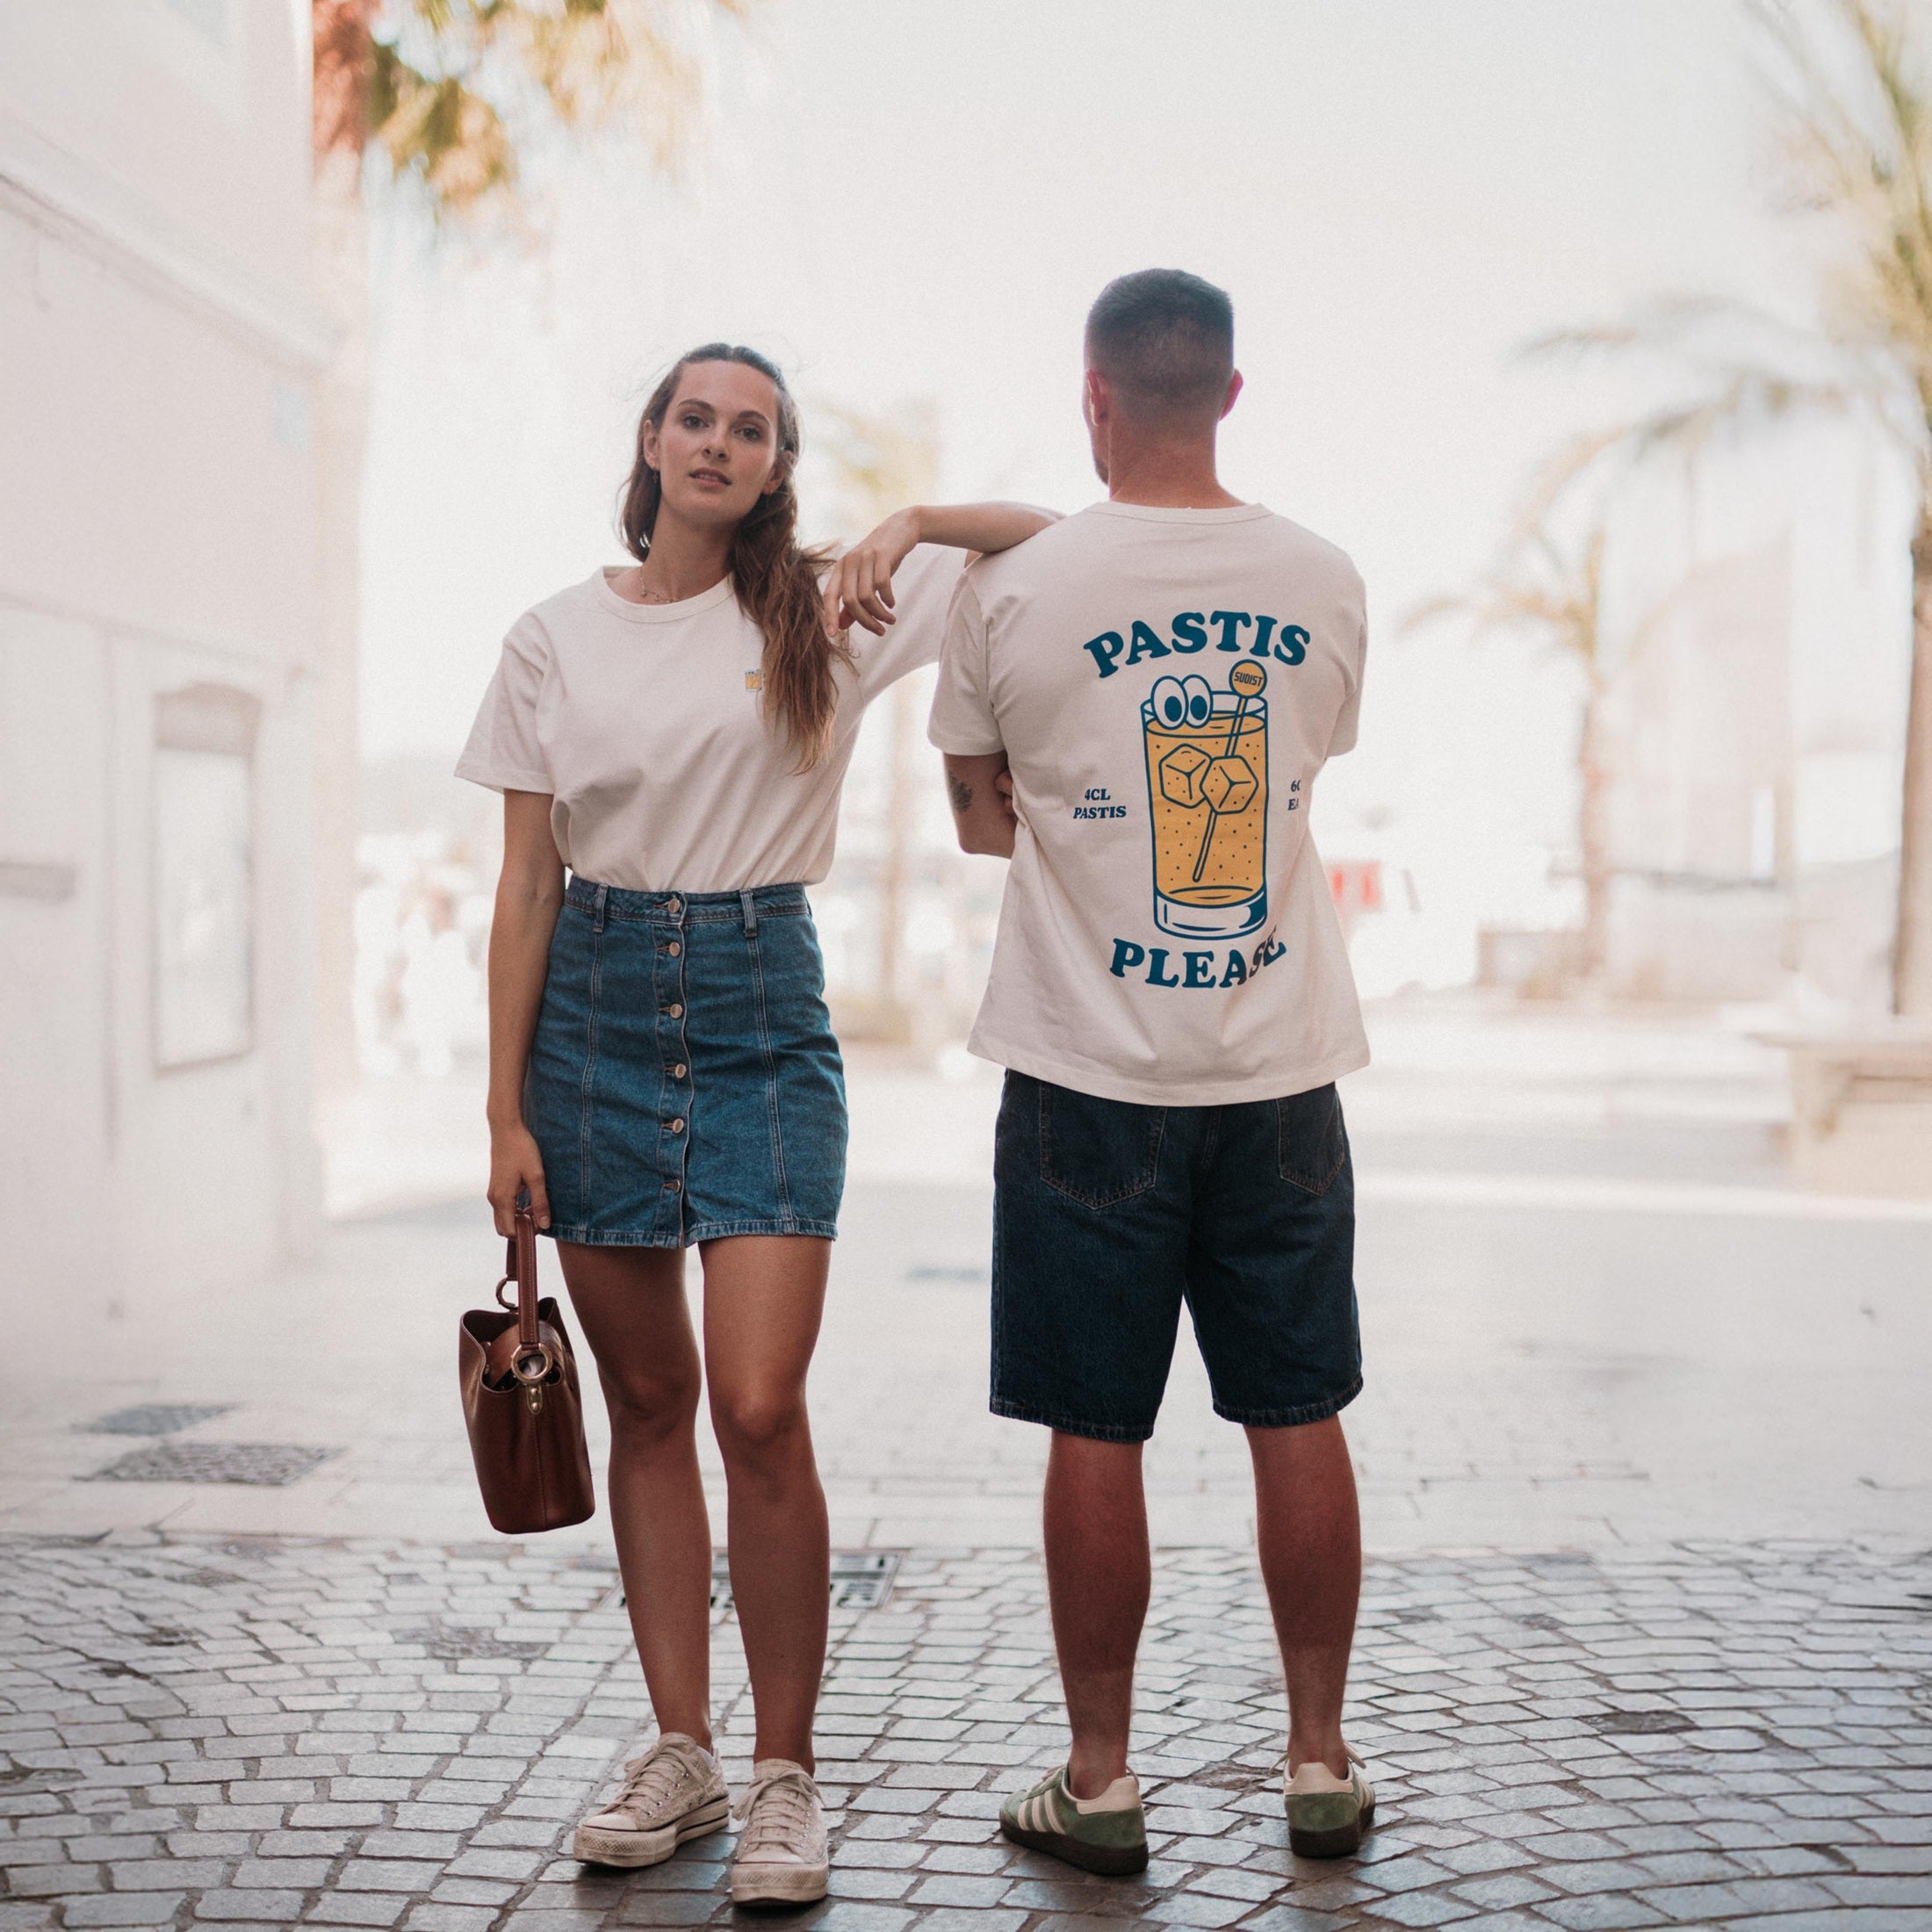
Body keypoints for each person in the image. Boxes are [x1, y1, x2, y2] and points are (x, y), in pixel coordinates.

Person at [457, 342, 1054, 1907]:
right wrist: (504, 1107)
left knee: (761, 1404)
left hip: (761, 1008)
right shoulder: (551, 638)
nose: (718, 444)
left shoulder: (825, 610)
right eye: (696, 417)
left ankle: (787, 1773)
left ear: (778, 469)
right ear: (650, 440)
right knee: (650, 1403)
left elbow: (1053, 541)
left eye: (753, 431)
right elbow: (525, 888)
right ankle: (685, 1746)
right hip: (587, 1014)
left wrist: (916, 512)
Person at [929, 270, 1375, 1872]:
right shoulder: (1323, 579)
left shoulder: (1017, 592)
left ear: (1095, 395)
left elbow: (982, 817)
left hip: (1082, 1073)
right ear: (1233, 393)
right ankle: (1319, 1758)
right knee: (1299, 1407)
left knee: (1095, 1430)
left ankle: (1102, 1782)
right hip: (1278, 1066)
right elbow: (1306, 772)